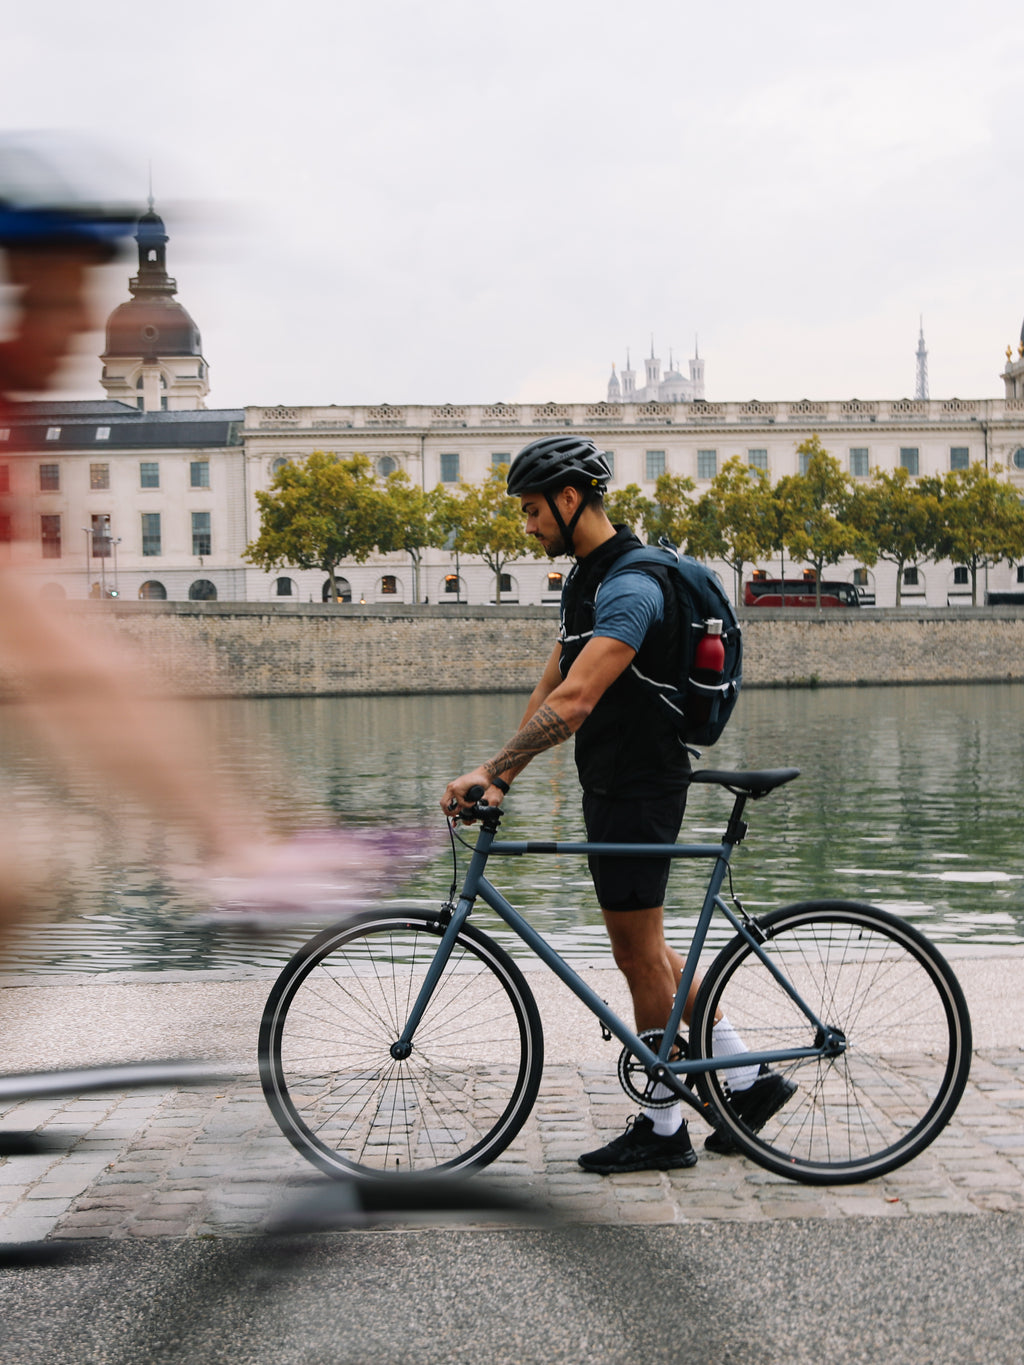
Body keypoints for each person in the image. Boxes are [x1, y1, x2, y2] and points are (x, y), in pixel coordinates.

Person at [440, 435, 795, 1173]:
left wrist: (494, 766)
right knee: (654, 946)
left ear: (571, 501)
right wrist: (501, 774)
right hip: (613, 781)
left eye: (534, 510)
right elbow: (556, 675)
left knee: (637, 954)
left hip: (638, 786)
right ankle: (746, 1078)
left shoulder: (631, 586)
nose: (527, 525)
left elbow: (576, 699)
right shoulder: (588, 579)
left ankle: (664, 1127)